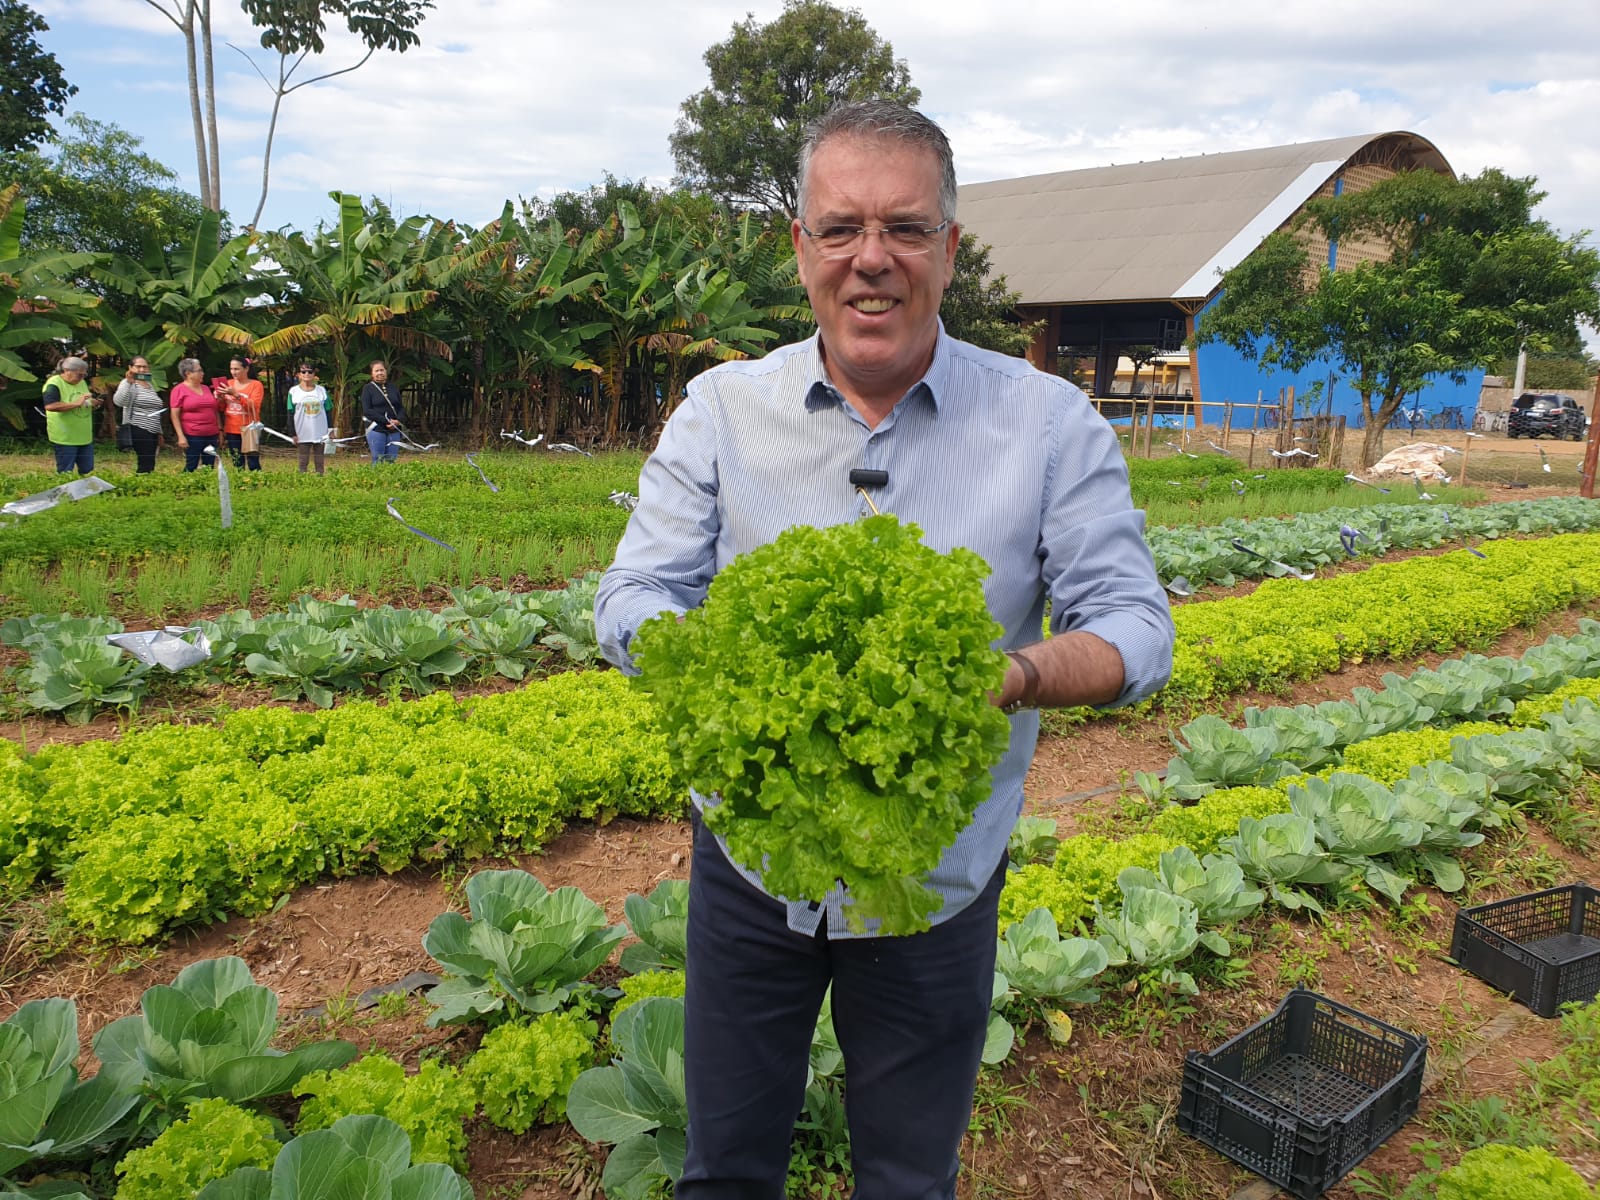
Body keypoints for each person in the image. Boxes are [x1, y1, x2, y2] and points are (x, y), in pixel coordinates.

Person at [594, 100, 1175, 1199]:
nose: (873, 260)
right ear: (801, 247)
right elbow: (631, 593)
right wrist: (719, 661)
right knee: (722, 1169)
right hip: (751, 869)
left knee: (909, 1176)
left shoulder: (1050, 425)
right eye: (841, 228)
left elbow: (1137, 630)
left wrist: (1011, 676)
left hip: (936, 883)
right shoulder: (720, 410)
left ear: (949, 251)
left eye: (906, 229)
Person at [42, 355, 100, 474]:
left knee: (87, 470)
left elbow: (83, 401)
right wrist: (76, 403)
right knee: (66, 472)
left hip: (84, 436)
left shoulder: (82, 382)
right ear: (67, 371)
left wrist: (92, 403)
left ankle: (87, 492)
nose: (82, 377)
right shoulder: (54, 384)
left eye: (84, 375)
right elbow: (50, 406)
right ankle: (65, 492)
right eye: (79, 374)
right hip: (65, 437)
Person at [113, 355, 165, 473]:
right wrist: (128, 382)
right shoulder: (128, 384)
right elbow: (119, 401)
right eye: (138, 367)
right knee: (145, 462)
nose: (142, 370)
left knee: (150, 462)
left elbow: (155, 410)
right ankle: (141, 487)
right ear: (130, 368)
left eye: (145, 367)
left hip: (152, 429)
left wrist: (159, 432)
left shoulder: (150, 385)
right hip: (138, 427)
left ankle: (145, 485)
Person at [170, 358, 222, 472]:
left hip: (211, 433)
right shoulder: (179, 390)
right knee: (191, 464)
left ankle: (205, 487)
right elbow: (174, 414)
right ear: (188, 374)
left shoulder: (206, 388)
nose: (202, 373)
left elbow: (214, 410)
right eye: (199, 371)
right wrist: (180, 435)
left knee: (209, 465)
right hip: (192, 433)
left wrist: (220, 429)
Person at [218, 357, 263, 470]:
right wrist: (220, 398)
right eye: (231, 369)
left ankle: (256, 483)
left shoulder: (256, 385)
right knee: (237, 460)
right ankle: (240, 483)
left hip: (249, 428)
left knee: (253, 461)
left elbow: (254, 406)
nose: (233, 372)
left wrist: (236, 395)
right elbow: (221, 408)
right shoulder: (227, 384)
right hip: (232, 428)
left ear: (246, 369)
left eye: (237, 369)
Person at [359, 360, 406, 463]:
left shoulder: (393, 387)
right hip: (376, 428)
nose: (380, 373)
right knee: (378, 459)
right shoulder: (368, 389)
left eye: (382, 370)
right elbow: (367, 410)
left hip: (394, 429)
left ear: (386, 371)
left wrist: (398, 420)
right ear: (372, 373)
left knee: (391, 459)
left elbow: (400, 407)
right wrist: (387, 421)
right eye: (376, 371)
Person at [289, 363, 331, 475]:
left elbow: (328, 411)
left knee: (319, 460)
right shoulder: (293, 392)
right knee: (303, 461)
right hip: (302, 431)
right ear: (299, 375)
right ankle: (302, 482)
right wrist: (292, 433)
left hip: (320, 431)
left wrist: (330, 430)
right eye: (303, 372)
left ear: (314, 375)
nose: (306, 374)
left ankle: (320, 480)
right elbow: (290, 413)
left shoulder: (321, 391)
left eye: (310, 372)